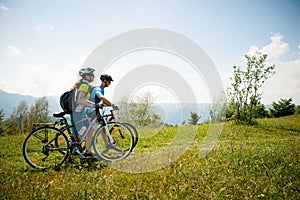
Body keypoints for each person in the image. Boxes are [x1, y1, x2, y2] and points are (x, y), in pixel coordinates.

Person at [70, 67, 100, 158]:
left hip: (81, 113)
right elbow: (80, 101)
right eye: (92, 75)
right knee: (78, 136)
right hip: (78, 113)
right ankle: (68, 156)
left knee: (91, 129)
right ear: (86, 76)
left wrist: (95, 104)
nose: (93, 77)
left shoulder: (84, 85)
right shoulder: (84, 86)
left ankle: (87, 152)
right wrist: (93, 106)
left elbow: (85, 100)